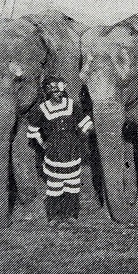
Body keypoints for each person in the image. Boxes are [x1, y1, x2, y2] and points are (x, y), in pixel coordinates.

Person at [25, 78, 94, 228]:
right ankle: (54, 216)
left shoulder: (71, 105)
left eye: (60, 91)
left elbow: (84, 123)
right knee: (55, 185)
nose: (58, 94)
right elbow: (33, 130)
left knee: (72, 184)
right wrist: (42, 143)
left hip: (72, 150)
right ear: (48, 93)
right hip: (54, 151)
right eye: (55, 92)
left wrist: (83, 134)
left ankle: (70, 214)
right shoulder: (42, 109)